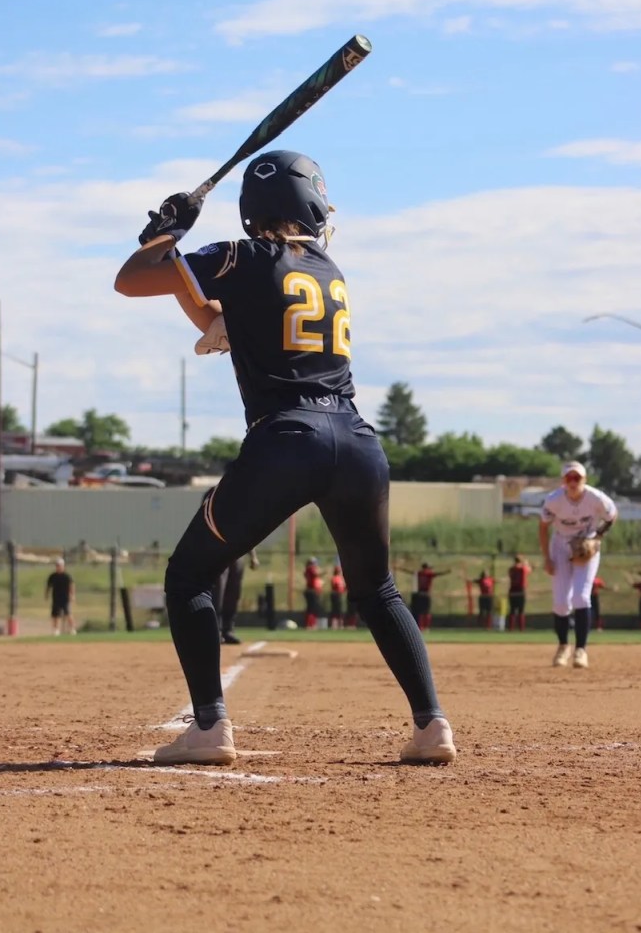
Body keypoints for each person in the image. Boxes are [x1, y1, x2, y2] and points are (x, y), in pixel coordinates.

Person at [114, 149, 456, 765]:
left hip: (286, 440)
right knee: (377, 589)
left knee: (190, 574)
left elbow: (130, 279)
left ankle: (210, 729)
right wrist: (174, 256)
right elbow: (217, 317)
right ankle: (432, 726)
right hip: (356, 443)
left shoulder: (239, 256)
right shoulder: (327, 269)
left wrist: (168, 232)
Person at [539, 461, 617, 669]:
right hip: (561, 546)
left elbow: (612, 515)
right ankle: (563, 646)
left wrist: (598, 537)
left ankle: (581, 650)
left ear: (584, 480)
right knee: (561, 603)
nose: (573, 482)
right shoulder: (554, 500)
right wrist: (547, 557)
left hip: (586, 546)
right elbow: (543, 528)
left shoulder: (595, 498)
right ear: (563, 481)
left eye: (577, 478)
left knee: (581, 597)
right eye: (569, 478)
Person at [215, 548, 259, 645]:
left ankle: (228, 630)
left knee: (233, 595)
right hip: (219, 553)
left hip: (237, 555)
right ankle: (216, 631)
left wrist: (253, 556)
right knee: (218, 595)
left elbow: (248, 535)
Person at [399, 561, 451, 631]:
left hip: (419, 594)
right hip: (426, 594)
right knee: (426, 612)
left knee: (418, 611)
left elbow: (410, 572)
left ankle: (419, 627)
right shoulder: (429, 573)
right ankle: (426, 627)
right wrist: (447, 571)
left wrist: (401, 569)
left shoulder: (419, 573)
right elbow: (438, 574)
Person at [45, 558, 76, 635]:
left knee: (68, 613)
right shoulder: (53, 576)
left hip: (65, 598)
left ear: (63, 566)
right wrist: (46, 594)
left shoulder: (66, 576)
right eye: (57, 565)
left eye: (59, 565)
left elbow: (71, 585)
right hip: (56, 597)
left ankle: (72, 629)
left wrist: (72, 595)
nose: (58, 567)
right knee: (56, 615)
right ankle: (56, 630)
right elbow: (48, 586)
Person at [507, 555, 531, 631]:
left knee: (512, 610)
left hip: (512, 590)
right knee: (521, 610)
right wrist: (526, 563)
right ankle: (521, 628)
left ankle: (511, 628)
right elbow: (529, 570)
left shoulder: (511, 569)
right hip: (520, 590)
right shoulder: (523, 569)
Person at [303, 557, 324, 628]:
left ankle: (311, 624)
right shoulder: (310, 569)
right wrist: (324, 572)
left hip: (311, 590)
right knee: (312, 608)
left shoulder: (307, 570)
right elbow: (316, 574)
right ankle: (310, 624)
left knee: (312, 608)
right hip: (311, 591)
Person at [329, 563, 346, 630]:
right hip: (335, 594)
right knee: (335, 609)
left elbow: (343, 588)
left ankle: (340, 624)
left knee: (339, 609)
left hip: (339, 594)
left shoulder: (341, 578)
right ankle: (334, 624)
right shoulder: (335, 578)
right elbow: (334, 586)